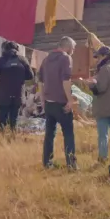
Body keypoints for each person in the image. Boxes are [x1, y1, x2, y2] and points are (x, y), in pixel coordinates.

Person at [38, 36, 78, 170]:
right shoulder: (65, 58)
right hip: (61, 103)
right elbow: (66, 81)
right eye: (73, 48)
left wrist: (43, 100)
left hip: (49, 103)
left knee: (49, 134)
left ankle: (47, 163)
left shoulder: (46, 59)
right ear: (68, 47)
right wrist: (70, 100)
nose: (73, 51)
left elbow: (40, 81)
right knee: (68, 134)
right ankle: (71, 164)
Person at [0, 40, 34, 132]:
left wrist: (0, 78)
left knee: (2, 121)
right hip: (18, 94)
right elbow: (31, 76)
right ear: (17, 49)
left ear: (4, 49)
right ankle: (13, 136)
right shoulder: (22, 60)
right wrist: (19, 78)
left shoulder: (2, 60)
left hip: (4, 94)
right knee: (14, 120)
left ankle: (2, 137)